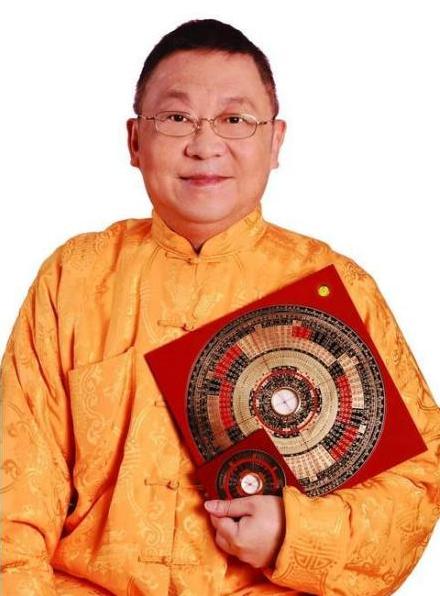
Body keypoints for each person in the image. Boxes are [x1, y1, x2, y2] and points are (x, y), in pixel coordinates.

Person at [1, 18, 438, 596]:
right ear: (135, 141)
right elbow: (13, 494)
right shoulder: (74, 277)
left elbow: (417, 486)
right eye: (177, 118)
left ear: (275, 142)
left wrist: (293, 534)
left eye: (235, 120)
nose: (205, 145)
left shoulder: (334, 286)